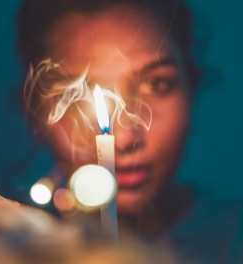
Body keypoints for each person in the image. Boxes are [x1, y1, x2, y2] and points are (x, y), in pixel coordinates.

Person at [16, 0, 243, 263]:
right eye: (77, 96)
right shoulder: (8, 248)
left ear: (192, 87)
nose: (123, 139)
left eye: (155, 84)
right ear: (35, 110)